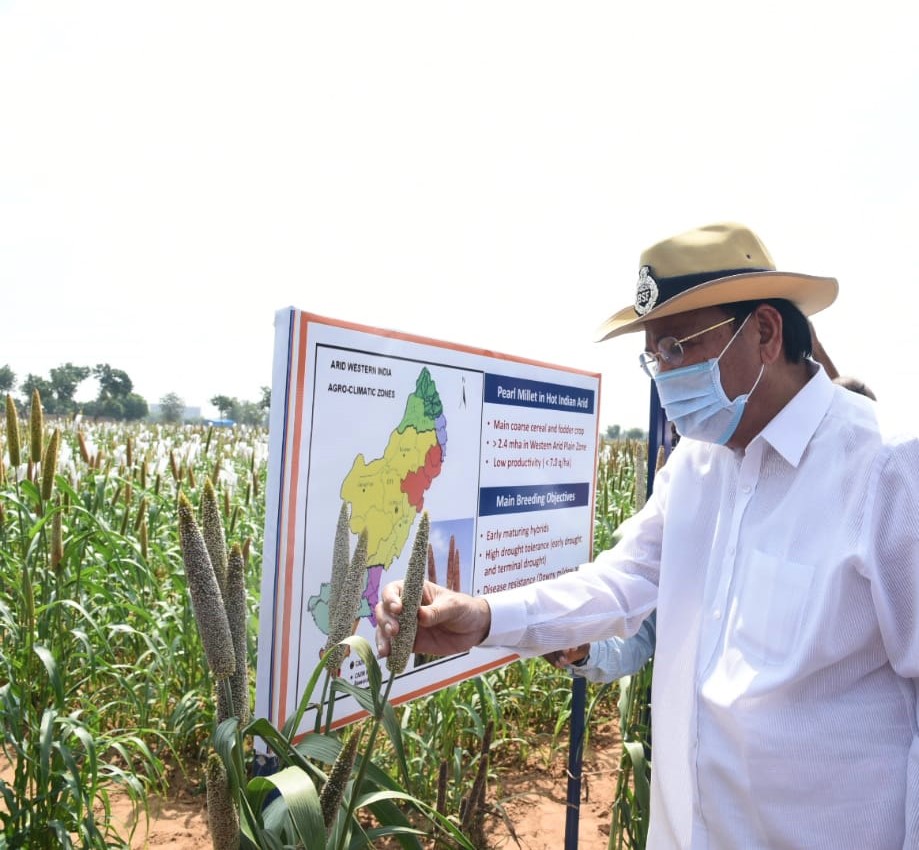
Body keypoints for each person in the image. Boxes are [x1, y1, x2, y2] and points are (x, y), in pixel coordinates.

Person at [376, 221, 919, 849]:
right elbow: (622, 581)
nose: (664, 374)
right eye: (653, 355)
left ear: (765, 333)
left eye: (678, 348)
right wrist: (483, 617)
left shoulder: (885, 468)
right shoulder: (698, 463)